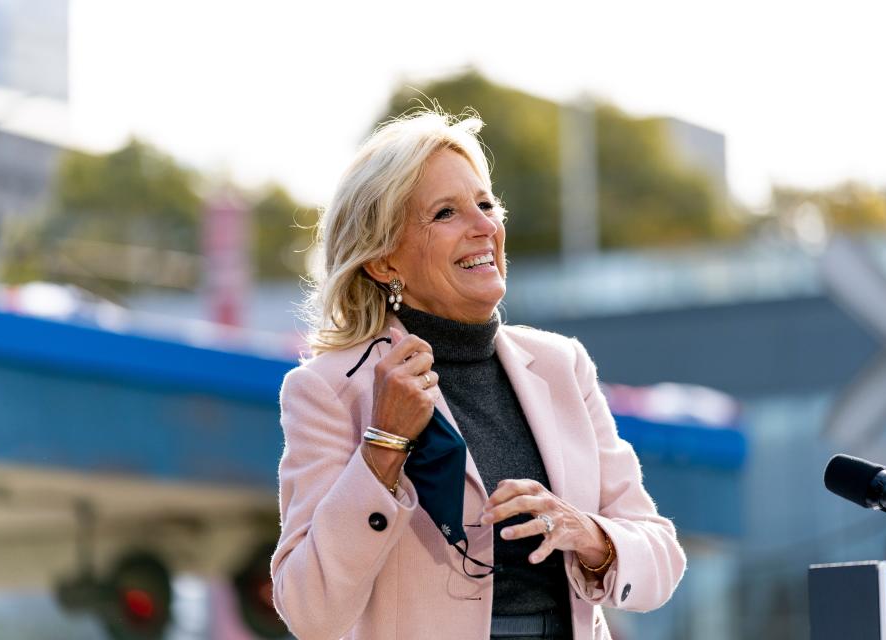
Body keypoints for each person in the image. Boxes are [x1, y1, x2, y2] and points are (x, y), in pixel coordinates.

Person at [270, 110, 686, 640]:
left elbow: (661, 558)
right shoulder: (330, 388)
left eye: (486, 204)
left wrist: (590, 535)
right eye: (446, 213)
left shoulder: (562, 365)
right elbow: (310, 610)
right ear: (382, 262)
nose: (485, 227)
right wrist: (384, 444)